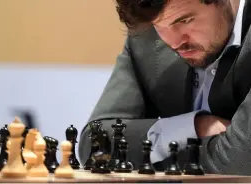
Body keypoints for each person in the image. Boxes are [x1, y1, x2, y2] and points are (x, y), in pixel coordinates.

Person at [78, 0, 251, 175]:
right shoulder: (145, 35)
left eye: (185, 21)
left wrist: (151, 157)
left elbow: (239, 163)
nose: (174, 42)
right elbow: (94, 145)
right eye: (158, 25)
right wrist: (194, 127)